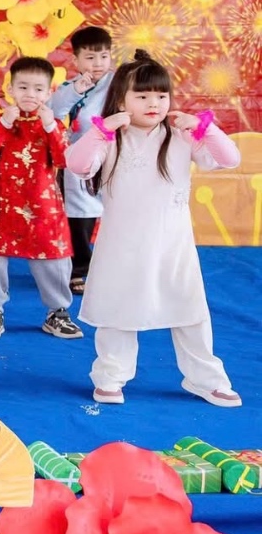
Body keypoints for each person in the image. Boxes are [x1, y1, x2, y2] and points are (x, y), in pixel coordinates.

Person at [65, 50, 242, 407]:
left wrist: (203, 127)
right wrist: (102, 130)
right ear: (121, 99)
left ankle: (206, 378)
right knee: (118, 314)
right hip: (122, 247)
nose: (154, 104)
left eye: (161, 96)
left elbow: (229, 159)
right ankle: (110, 376)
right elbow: (77, 164)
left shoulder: (180, 137)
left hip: (173, 247)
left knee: (191, 313)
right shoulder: (110, 139)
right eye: (142, 96)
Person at [0, 57, 82, 340]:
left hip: (43, 207)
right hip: (2, 206)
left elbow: (64, 160)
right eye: (22, 87)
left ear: (49, 92)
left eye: (38, 89)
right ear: (10, 89)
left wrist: (50, 127)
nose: (30, 94)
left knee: (53, 258)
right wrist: (4, 124)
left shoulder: (53, 124)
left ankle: (57, 312)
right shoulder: (0, 121)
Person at [47, 26, 114, 294]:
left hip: (115, 157)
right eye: (90, 57)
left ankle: (116, 267)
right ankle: (78, 270)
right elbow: (53, 111)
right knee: (79, 218)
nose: (98, 64)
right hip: (80, 158)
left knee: (118, 214)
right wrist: (76, 89)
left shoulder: (119, 83)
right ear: (75, 59)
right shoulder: (70, 87)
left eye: (104, 56)